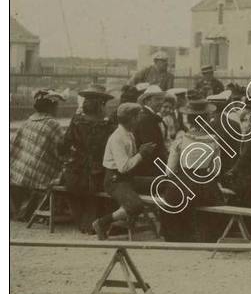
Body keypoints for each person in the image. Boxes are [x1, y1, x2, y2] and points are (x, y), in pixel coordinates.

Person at [159, 98, 223, 242]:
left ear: (188, 119)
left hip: (184, 181)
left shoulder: (181, 139)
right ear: (206, 119)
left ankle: (179, 235)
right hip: (205, 184)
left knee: (170, 202)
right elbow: (216, 169)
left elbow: (169, 170)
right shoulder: (213, 140)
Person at [92, 103, 157, 239]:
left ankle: (166, 225)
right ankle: (102, 222)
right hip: (115, 180)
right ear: (132, 118)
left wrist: (140, 151)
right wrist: (141, 154)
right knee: (135, 206)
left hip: (127, 179)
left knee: (159, 182)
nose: (140, 118)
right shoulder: (118, 138)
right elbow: (123, 167)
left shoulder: (128, 133)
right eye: (138, 116)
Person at [60, 85, 115, 232]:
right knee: (98, 185)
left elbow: (65, 143)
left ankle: (84, 221)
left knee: (72, 184)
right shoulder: (108, 124)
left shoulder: (77, 120)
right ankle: (92, 222)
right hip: (99, 169)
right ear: (102, 104)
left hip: (77, 169)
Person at [10, 89, 66, 221]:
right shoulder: (53, 124)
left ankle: (21, 209)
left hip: (17, 174)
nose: (57, 108)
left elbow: (13, 147)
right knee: (66, 171)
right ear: (50, 106)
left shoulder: (27, 122)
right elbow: (62, 152)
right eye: (56, 105)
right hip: (38, 178)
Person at [132, 85, 168, 178]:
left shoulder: (151, 116)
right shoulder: (146, 118)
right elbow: (151, 148)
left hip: (152, 165)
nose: (161, 102)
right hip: (148, 169)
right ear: (147, 101)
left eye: (162, 99)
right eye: (157, 99)